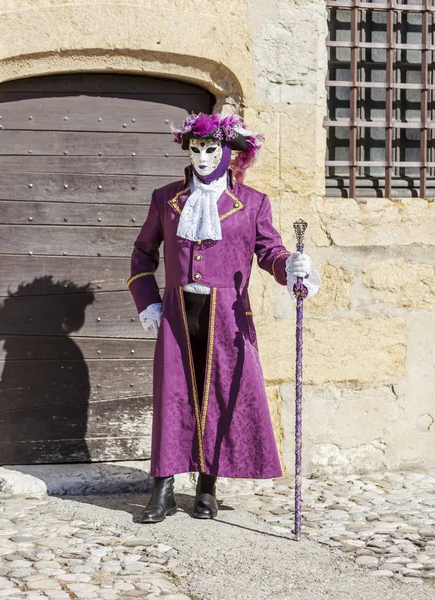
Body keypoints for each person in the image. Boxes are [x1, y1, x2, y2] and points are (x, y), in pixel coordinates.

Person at [127, 112, 320, 524]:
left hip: (229, 318)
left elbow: (270, 253)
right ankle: (161, 490)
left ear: (228, 152)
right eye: (195, 149)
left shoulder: (253, 203)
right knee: (172, 397)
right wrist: (148, 301)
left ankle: (207, 489)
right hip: (179, 313)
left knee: (218, 397)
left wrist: (293, 268)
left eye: (211, 149)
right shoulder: (166, 198)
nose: (201, 157)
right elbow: (143, 252)